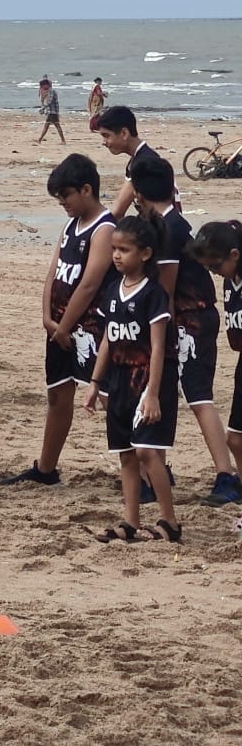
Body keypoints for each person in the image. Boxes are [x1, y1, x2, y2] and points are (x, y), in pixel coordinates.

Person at [3, 154, 118, 486]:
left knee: (110, 398)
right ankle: (46, 468)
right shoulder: (72, 224)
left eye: (66, 196)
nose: (63, 204)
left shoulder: (104, 227)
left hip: (91, 328)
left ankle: (146, 472)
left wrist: (65, 325)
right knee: (57, 394)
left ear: (86, 189)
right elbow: (54, 270)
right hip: (59, 327)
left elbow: (90, 283)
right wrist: (46, 317)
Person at [132, 156, 241, 505]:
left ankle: (226, 475)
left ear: (140, 193)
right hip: (188, 320)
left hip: (191, 321)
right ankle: (156, 470)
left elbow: (163, 290)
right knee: (170, 393)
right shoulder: (168, 223)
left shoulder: (170, 230)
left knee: (198, 397)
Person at [84, 214, 181, 543]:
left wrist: (153, 393)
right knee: (125, 453)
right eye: (114, 249)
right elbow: (108, 341)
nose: (116, 255)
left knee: (147, 452)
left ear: (145, 254)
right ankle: (131, 521)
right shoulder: (112, 291)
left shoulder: (153, 294)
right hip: (120, 379)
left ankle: (169, 521)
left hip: (149, 379)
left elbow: (157, 348)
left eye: (124, 249)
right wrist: (95, 383)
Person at [189, 221, 242, 507]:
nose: (213, 272)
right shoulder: (229, 280)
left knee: (236, 439)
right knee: (235, 441)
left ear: (234, 255)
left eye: (214, 266)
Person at [97, 105, 178, 220]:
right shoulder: (140, 158)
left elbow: (118, 211)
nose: (104, 142)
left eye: (106, 136)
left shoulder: (143, 163)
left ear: (124, 133)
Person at [36, 77, 65, 144]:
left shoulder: (51, 91)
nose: (42, 87)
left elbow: (49, 102)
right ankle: (39, 139)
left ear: (46, 85)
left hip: (53, 112)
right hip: (51, 112)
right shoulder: (49, 91)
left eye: (43, 86)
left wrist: (42, 109)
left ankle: (63, 141)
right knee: (47, 126)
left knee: (56, 126)